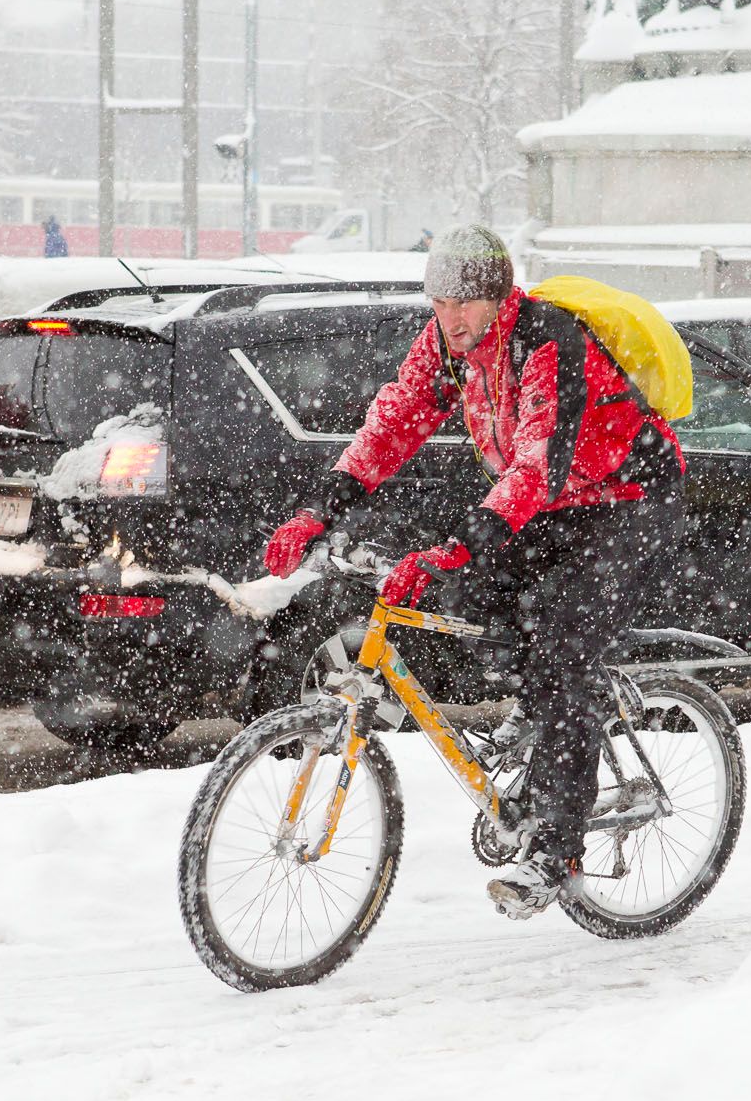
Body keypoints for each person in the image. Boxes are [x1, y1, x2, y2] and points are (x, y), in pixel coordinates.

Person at [260, 224, 686, 919]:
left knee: (563, 651)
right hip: (552, 501)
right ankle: (536, 722)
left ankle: (557, 849)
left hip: (629, 501)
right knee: (485, 603)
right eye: (440, 303)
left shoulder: (547, 341)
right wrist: (319, 508)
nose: (451, 318)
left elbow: (535, 463)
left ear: (499, 297)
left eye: (465, 304)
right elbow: (392, 425)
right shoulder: (447, 347)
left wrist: (455, 545)